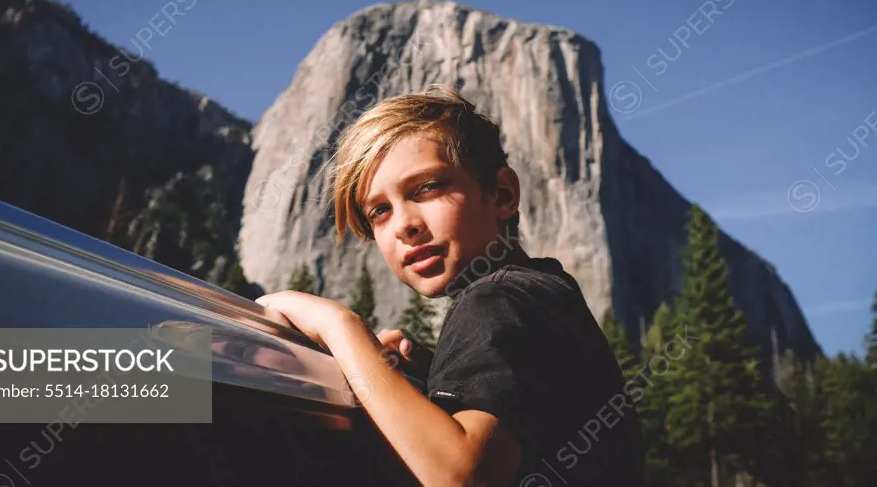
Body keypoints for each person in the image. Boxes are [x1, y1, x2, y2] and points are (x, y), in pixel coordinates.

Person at [257, 85, 643, 486]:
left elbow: (460, 474)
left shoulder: (497, 299)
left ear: (503, 194)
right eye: (380, 211)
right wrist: (435, 376)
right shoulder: (541, 290)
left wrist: (340, 327)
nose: (405, 224)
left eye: (427, 188)